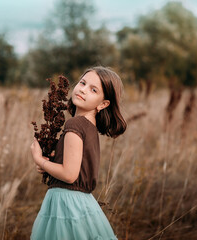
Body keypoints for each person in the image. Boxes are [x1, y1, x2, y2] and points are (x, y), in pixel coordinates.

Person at [30, 66, 127, 240]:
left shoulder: (75, 124)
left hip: (66, 204)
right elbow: (76, 167)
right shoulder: (89, 127)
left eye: (93, 89)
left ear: (103, 104)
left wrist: (39, 159)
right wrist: (50, 165)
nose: (83, 89)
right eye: (82, 83)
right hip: (82, 203)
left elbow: (69, 174)